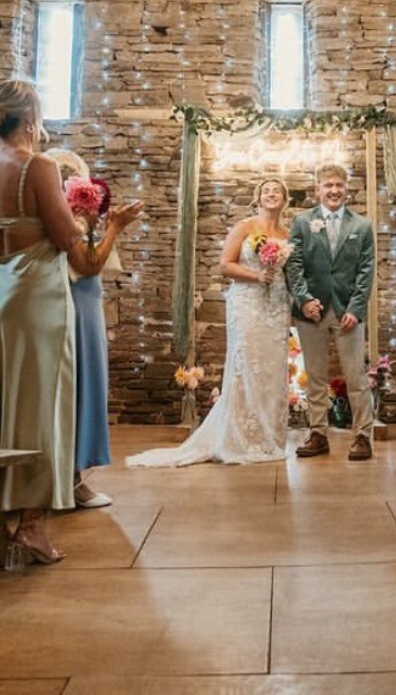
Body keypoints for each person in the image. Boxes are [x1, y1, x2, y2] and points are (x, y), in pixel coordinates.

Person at [127, 177, 291, 467]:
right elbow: (225, 265)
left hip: (276, 306)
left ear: (285, 199)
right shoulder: (245, 227)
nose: (271, 194)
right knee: (246, 367)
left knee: (272, 370)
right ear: (258, 197)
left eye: (277, 191)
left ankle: (269, 438)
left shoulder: (286, 233)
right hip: (248, 303)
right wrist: (256, 276)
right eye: (266, 190)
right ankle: (240, 438)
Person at [0, 80, 85, 563]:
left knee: (3, 395)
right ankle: (31, 524)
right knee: (42, 399)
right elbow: (65, 236)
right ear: (28, 116)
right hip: (36, 292)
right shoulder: (37, 166)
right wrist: (80, 222)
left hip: (0, 288)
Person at [45, 148, 142, 508]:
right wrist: (115, 227)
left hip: (86, 306)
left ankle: (71, 478)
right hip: (74, 312)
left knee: (84, 389)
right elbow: (88, 265)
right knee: (79, 390)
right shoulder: (65, 223)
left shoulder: (74, 222)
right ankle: (70, 482)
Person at [286, 163, 375, 461]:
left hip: (346, 311)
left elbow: (366, 271)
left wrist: (356, 308)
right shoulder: (302, 222)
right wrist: (304, 299)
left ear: (346, 189)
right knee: (315, 376)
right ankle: (318, 433)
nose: (334, 190)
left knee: (356, 377)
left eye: (339, 185)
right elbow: (294, 266)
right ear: (318, 190)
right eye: (328, 186)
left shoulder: (361, 226)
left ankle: (362, 435)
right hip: (311, 311)